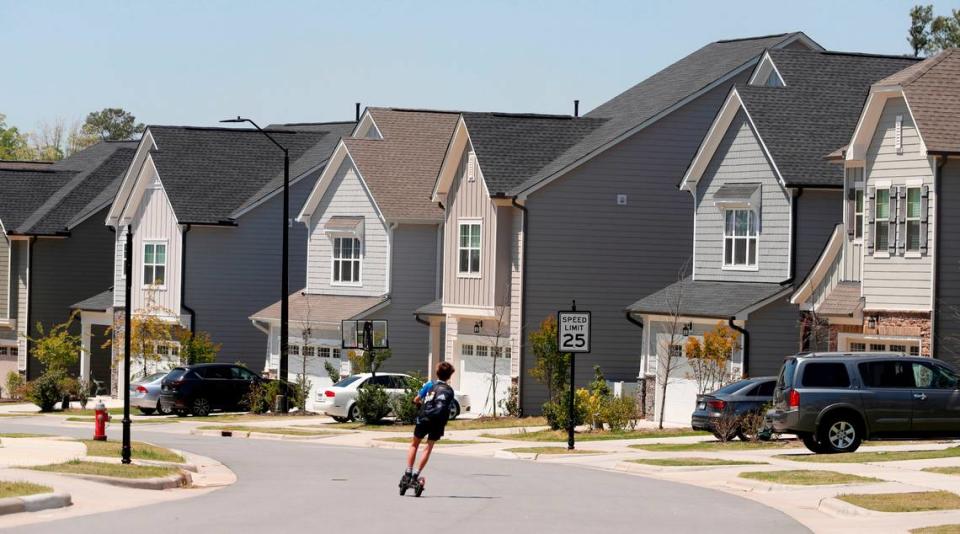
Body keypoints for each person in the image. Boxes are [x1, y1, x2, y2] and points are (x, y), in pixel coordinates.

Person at [401, 361, 456, 490]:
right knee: (429, 446)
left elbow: (416, 399)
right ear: (449, 376)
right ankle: (416, 475)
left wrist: (419, 405)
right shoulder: (450, 391)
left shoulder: (430, 384)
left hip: (424, 417)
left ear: (437, 373)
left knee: (415, 444)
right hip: (438, 421)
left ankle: (408, 472)